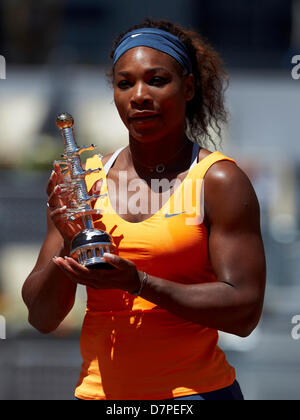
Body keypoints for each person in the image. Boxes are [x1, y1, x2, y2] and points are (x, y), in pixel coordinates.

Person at [22, 18, 266, 401]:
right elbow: (42, 317)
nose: (139, 95)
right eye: (125, 83)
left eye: (156, 80)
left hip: (194, 394)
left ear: (187, 88)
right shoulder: (83, 183)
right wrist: (70, 242)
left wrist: (139, 284)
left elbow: (244, 312)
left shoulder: (218, 181)